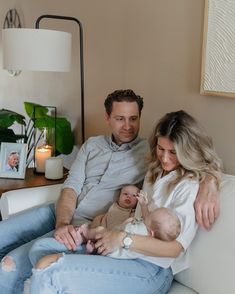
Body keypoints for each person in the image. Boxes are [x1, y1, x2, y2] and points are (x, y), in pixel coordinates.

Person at [0, 89, 219, 293]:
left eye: (133, 119)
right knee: (24, 246)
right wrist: (66, 224)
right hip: (75, 219)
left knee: (21, 263)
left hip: (140, 259)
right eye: (120, 118)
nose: (164, 157)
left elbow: (204, 163)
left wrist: (210, 179)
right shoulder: (150, 166)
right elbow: (71, 186)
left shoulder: (160, 165)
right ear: (108, 118)